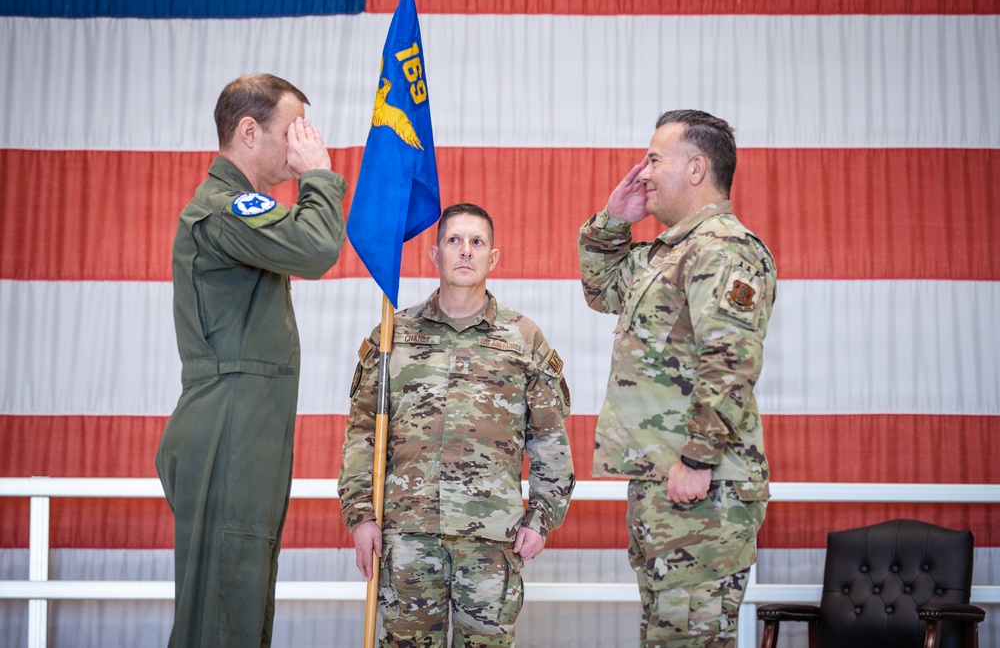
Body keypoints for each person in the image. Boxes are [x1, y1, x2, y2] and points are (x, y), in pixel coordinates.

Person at [155, 73, 347, 647]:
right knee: (222, 610)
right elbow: (315, 248)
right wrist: (317, 175)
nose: (300, 143)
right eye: (291, 130)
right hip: (228, 427)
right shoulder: (224, 206)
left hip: (244, 424)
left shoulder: (239, 208)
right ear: (248, 131)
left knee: (238, 599)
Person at [578, 110, 777, 647]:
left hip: (701, 487)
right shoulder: (667, 253)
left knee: (690, 637)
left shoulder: (723, 249)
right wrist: (613, 221)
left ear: (696, 169)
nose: (642, 172)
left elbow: (729, 362)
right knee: (669, 636)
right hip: (667, 483)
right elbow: (601, 291)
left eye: (653, 159)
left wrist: (697, 458)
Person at [339, 203, 575, 647]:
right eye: (454, 241)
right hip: (408, 538)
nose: (465, 251)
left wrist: (541, 519)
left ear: (493, 257)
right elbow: (362, 434)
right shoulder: (393, 335)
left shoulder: (522, 338)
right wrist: (360, 516)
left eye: (476, 242)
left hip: (490, 541)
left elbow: (549, 440)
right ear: (435, 255)